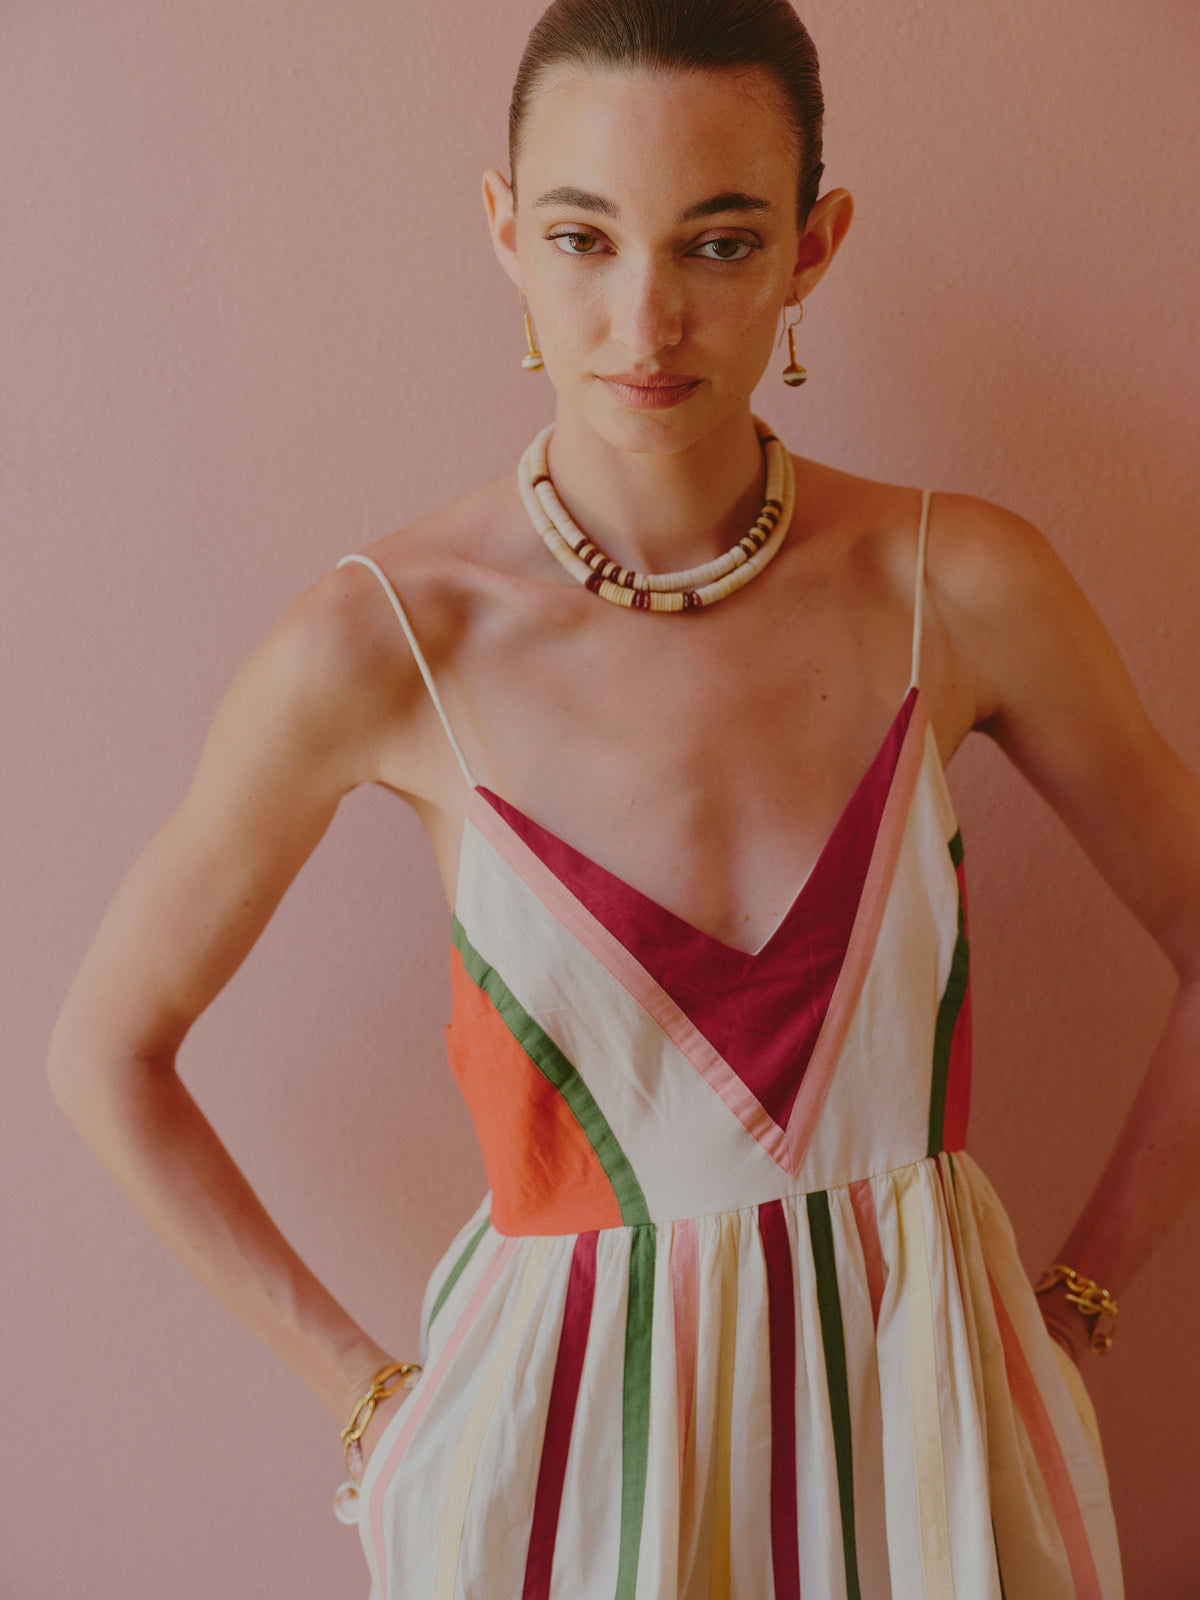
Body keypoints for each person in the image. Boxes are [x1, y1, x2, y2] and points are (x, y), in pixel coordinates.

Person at [45, 0, 1200, 1595]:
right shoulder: (387, 647)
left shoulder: (956, 585)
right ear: (505, 231)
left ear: (812, 247)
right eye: (583, 239)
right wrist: (371, 1403)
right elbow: (103, 1053)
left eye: (718, 244)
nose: (645, 321)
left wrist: (1072, 1309)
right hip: (563, 1497)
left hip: (936, 1465)